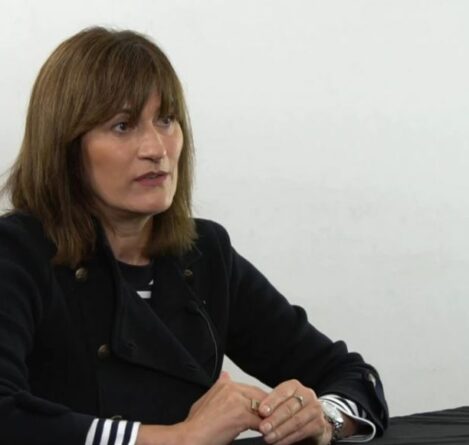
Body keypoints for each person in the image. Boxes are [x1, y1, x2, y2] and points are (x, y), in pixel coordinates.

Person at [0, 27, 388, 445]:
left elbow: (351, 375)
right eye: (123, 125)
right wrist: (178, 438)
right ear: (65, 147)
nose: (156, 148)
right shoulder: (17, 252)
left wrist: (322, 418)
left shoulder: (205, 252)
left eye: (166, 120)